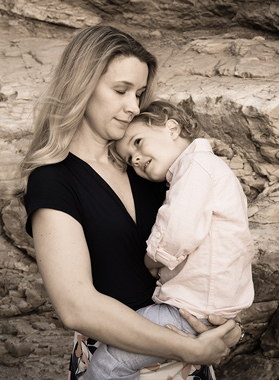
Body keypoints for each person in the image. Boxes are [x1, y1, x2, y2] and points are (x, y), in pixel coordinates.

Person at [15, 26, 241, 380]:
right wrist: (190, 347)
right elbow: (76, 307)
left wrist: (227, 325)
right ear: (82, 84)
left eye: (139, 93)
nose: (133, 106)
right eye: (121, 90)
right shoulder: (53, 180)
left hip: (189, 359)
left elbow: (214, 245)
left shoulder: (149, 165)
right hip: (118, 361)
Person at [85, 99, 255, 380]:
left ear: (172, 128)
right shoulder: (204, 169)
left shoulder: (196, 168)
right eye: (130, 159)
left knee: (107, 365)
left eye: (138, 142)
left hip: (191, 309)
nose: (136, 159)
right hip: (202, 307)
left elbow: (179, 227)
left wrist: (154, 257)